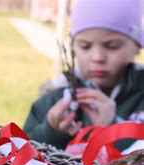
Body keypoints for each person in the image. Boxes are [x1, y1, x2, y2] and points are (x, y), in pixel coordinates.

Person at [23, 0, 144, 150]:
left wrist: (112, 129)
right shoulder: (54, 99)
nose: (97, 57)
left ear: (137, 46)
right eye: (85, 46)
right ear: (73, 46)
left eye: (112, 46)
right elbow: (20, 156)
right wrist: (50, 131)